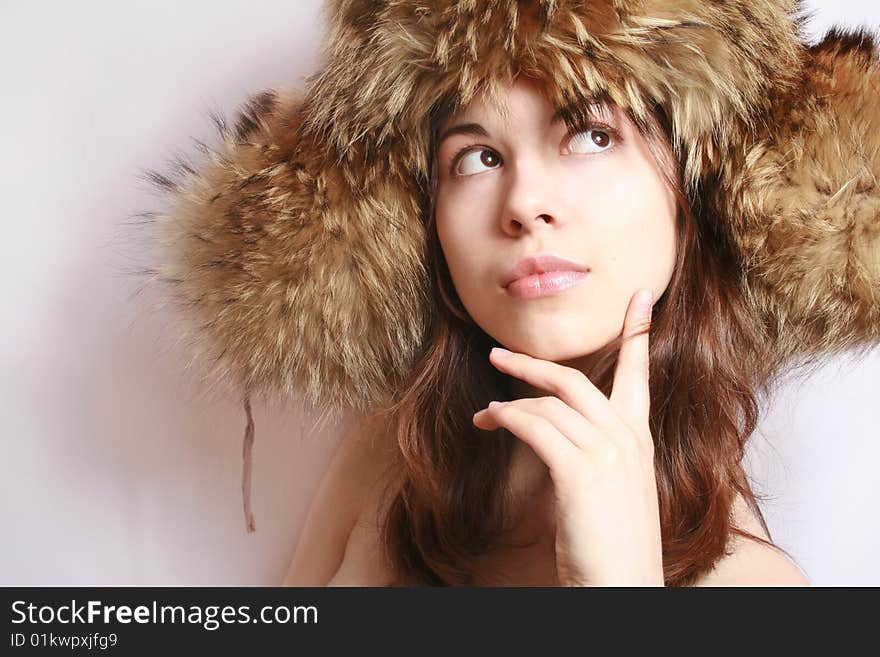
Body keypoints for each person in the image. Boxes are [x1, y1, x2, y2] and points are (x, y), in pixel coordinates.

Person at [130, 0, 880, 586]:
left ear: (690, 188)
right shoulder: (385, 466)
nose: (524, 202)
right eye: (477, 156)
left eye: (590, 134)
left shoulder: (751, 585)